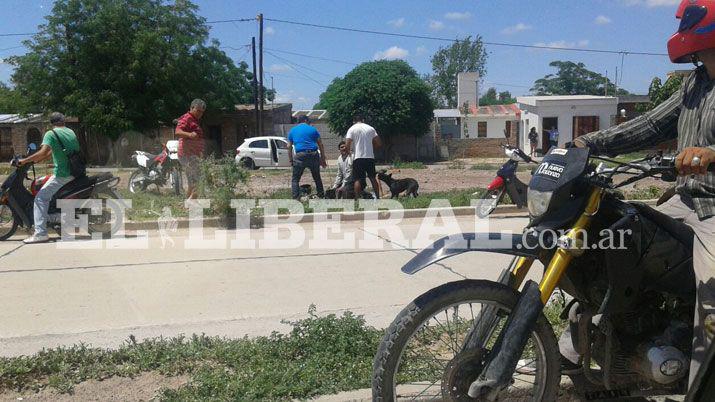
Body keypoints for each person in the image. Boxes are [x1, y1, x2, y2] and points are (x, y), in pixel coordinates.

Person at [574, 0, 715, 386]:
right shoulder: (695, 84)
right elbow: (650, 126)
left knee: (712, 291)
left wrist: (711, 154)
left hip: (714, 211)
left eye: (703, 49)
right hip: (684, 199)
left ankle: (703, 384)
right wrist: (588, 142)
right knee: (617, 237)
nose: (699, 55)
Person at [18, 112, 80, 244]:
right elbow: (52, 152)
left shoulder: (51, 134)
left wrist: (24, 161)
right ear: (63, 121)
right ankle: (53, 216)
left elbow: (42, 152)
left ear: (51, 123)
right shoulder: (70, 132)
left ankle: (40, 233)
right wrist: (39, 160)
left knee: (40, 198)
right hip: (74, 171)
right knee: (44, 184)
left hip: (62, 174)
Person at [287, 115, 327, 199]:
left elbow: (289, 146)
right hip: (313, 154)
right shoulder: (313, 129)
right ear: (305, 120)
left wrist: (291, 160)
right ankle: (321, 195)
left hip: (300, 155)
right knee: (317, 177)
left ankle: (296, 198)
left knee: (295, 179)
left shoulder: (292, 130)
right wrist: (323, 159)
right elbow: (321, 144)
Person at [175, 99, 206, 202]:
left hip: (192, 154)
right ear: (192, 108)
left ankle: (186, 204)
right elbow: (178, 131)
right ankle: (190, 204)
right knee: (198, 181)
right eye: (198, 111)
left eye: (202, 112)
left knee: (192, 182)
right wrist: (189, 135)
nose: (200, 114)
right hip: (187, 154)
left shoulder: (194, 120)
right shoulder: (187, 118)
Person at [346, 114, 381, 199]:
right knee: (372, 178)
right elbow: (379, 143)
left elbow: (347, 143)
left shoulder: (352, 129)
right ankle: (378, 198)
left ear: (354, 121)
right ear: (363, 120)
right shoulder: (370, 128)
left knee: (357, 179)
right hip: (370, 157)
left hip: (358, 158)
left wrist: (349, 152)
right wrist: (372, 149)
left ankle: (357, 200)